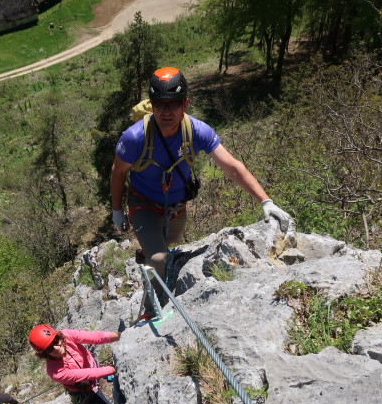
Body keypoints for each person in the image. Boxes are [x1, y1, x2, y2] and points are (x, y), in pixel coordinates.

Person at [110, 67, 293, 311]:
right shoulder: (134, 138)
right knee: (158, 258)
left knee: (171, 244)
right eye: (159, 104)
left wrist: (265, 201)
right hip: (143, 203)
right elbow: (118, 172)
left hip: (177, 206)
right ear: (151, 104)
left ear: (185, 103)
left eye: (173, 104)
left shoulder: (196, 131)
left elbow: (232, 167)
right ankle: (149, 311)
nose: (166, 111)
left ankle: (152, 258)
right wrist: (117, 210)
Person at [28, 324, 120, 404]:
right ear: (45, 354)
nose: (56, 348)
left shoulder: (66, 335)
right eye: (50, 349)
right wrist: (115, 368)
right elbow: (87, 374)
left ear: (58, 336)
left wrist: (119, 336)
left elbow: (94, 337)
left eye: (55, 341)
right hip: (85, 389)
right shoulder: (55, 372)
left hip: (93, 366)